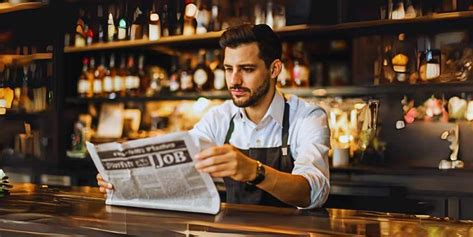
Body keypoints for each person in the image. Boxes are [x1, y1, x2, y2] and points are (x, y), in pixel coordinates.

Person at [97, 24, 330, 209]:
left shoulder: (307, 117)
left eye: (247, 69)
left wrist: (254, 171)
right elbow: (179, 164)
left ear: (274, 69)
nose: (234, 81)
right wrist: (126, 179)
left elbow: (314, 192)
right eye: (229, 69)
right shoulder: (219, 118)